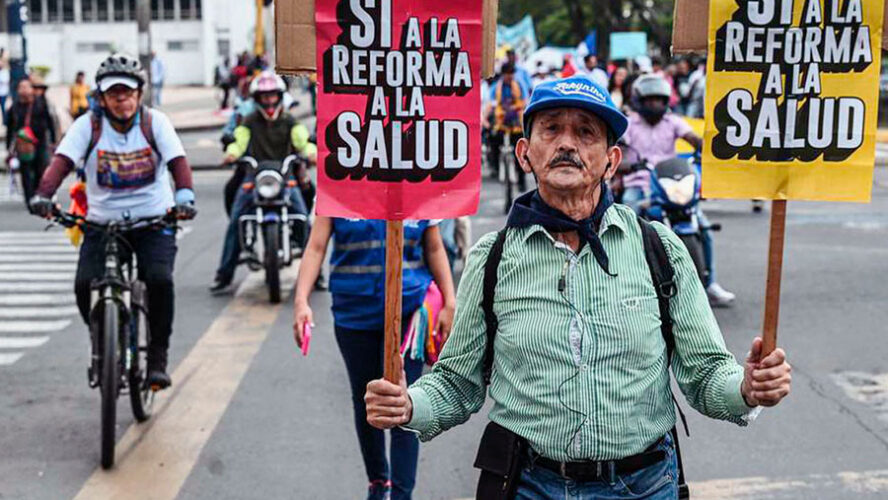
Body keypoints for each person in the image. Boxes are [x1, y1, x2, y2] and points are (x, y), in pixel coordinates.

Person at [364, 75, 792, 499]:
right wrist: (408, 405)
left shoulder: (659, 248)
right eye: (551, 129)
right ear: (524, 153)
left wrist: (746, 387)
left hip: (644, 486)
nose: (567, 143)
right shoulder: (492, 258)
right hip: (529, 485)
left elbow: (706, 373)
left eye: (586, 132)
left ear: (611, 160)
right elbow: (457, 383)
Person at [29, 53, 197, 389]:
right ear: (102, 98)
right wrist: (44, 194)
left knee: (160, 280)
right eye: (114, 93)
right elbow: (61, 163)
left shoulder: (155, 123)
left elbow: (178, 162)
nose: (122, 99)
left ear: (139, 93)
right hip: (101, 224)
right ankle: (103, 343)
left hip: (154, 220)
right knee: (83, 284)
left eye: (128, 92)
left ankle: (158, 359)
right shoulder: (88, 126)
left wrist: (184, 197)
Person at [292, 217, 456, 500]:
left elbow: (434, 248)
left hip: (409, 312)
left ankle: (402, 493)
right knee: (366, 400)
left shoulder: (416, 178)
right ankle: (379, 483)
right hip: (353, 314)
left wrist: (450, 301)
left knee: (405, 402)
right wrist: (301, 301)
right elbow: (316, 246)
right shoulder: (340, 180)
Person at [620, 73, 735, 307]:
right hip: (640, 184)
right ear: (639, 101)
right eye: (650, 100)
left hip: (670, 183)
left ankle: (710, 283)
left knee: (703, 226)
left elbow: (693, 138)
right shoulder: (629, 124)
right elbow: (614, 150)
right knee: (625, 222)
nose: (655, 105)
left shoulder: (672, 122)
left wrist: (711, 147)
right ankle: (624, 282)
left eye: (659, 100)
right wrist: (628, 164)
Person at [210, 71, 313, 293]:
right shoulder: (249, 121)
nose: (269, 100)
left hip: (284, 178)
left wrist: (311, 153)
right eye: (264, 96)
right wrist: (232, 153)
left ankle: (317, 274)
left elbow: (302, 142)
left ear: (279, 96)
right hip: (254, 177)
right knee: (236, 220)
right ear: (257, 99)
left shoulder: (290, 121)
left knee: (303, 219)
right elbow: (239, 142)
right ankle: (224, 274)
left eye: (272, 95)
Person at [6, 79, 54, 209]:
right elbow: (10, 127)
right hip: (24, 145)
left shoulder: (40, 103)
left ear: (31, 89)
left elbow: (50, 122)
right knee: (25, 172)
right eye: (21, 87)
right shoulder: (14, 107)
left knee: (40, 169)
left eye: (26, 87)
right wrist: (9, 147)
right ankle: (29, 198)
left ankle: (37, 196)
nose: (24, 90)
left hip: (40, 142)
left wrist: (53, 140)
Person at [487, 63, 527, 191]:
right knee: (492, 140)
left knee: (519, 151)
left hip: (516, 122)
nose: (510, 76)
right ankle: (495, 167)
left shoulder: (519, 85)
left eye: (511, 74)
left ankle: (521, 181)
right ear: (503, 74)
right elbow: (490, 104)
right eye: (507, 74)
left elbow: (525, 101)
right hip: (501, 122)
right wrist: (485, 120)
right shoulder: (496, 87)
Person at [0, 55, 10, 125]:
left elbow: (6, 81)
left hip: (3, 93)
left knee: (3, 108)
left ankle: (5, 122)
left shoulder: (5, 72)